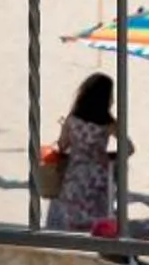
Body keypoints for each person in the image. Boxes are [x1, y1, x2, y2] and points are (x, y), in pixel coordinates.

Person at [47, 74, 120, 232]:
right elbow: (129, 147)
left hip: (75, 172)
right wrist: (109, 156)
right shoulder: (108, 123)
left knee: (72, 212)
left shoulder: (73, 119)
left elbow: (62, 145)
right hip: (98, 174)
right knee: (97, 214)